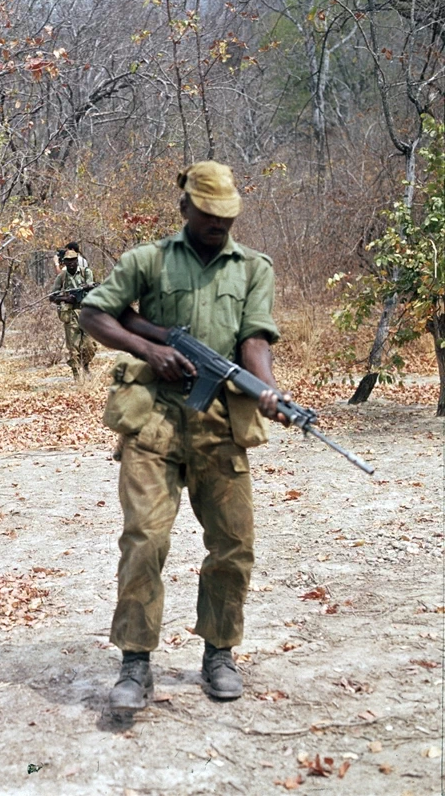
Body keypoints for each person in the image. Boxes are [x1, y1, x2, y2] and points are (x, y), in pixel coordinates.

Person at [79, 161, 290, 710]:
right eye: (209, 214)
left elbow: (254, 345)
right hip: (152, 419)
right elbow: (95, 313)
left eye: (228, 216)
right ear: (186, 209)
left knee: (233, 545)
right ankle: (134, 661)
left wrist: (270, 394)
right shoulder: (147, 260)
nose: (219, 224)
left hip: (221, 424)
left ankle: (219, 651)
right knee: (146, 540)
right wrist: (150, 349)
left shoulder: (252, 268)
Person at [49, 248, 97, 381]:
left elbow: (91, 286)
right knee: (72, 347)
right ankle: (76, 374)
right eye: (68, 261)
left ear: (77, 261)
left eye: (73, 261)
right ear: (64, 262)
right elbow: (52, 297)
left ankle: (85, 365)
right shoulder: (62, 276)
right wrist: (65, 299)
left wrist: (88, 288)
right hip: (70, 314)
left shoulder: (86, 272)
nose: (71, 264)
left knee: (89, 345)